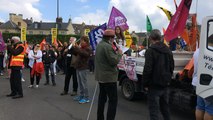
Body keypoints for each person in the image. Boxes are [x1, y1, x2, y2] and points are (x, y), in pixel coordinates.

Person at [142, 29, 174, 120]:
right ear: (160, 38)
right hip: (165, 84)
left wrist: (145, 84)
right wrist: (168, 79)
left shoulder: (150, 51)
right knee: (165, 109)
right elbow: (171, 66)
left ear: (151, 38)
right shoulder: (168, 50)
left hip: (154, 85)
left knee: (154, 112)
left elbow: (147, 69)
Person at [95, 29, 122, 120]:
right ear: (110, 38)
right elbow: (113, 61)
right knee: (113, 101)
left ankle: (100, 118)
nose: (114, 40)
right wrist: (119, 54)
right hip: (109, 78)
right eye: (113, 38)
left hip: (101, 77)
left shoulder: (100, 45)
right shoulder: (107, 46)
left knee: (102, 99)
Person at [193, 48, 213, 120]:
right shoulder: (210, 50)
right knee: (210, 109)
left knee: (200, 107)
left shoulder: (198, 51)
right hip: (208, 83)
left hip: (197, 82)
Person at [72, 36, 92, 104]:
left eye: (82, 40)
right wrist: (74, 47)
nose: (80, 42)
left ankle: (86, 97)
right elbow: (76, 53)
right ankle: (81, 95)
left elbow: (85, 54)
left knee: (84, 83)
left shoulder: (88, 48)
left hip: (83, 67)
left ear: (85, 41)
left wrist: (77, 47)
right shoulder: (81, 48)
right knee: (80, 83)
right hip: (79, 67)